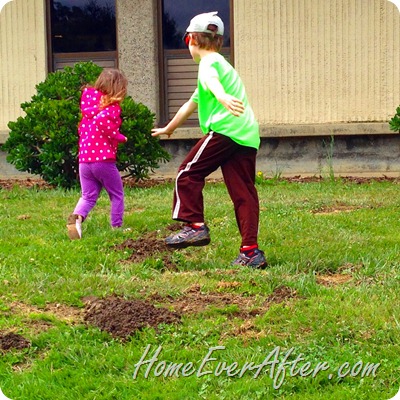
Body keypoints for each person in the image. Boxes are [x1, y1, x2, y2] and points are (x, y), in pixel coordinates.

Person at [152, 11, 267, 268]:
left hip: (225, 130)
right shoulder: (222, 64)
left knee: (187, 173)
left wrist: (223, 97)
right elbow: (190, 105)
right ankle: (251, 252)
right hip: (246, 134)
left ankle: (195, 226)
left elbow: (212, 83)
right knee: (244, 193)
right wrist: (169, 128)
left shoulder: (208, 63)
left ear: (191, 40)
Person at [67, 68, 128, 240]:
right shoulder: (111, 107)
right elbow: (103, 122)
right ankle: (117, 227)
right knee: (116, 194)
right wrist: (120, 137)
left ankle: (77, 218)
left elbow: (82, 130)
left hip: (84, 161)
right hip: (103, 161)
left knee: (88, 195)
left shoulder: (88, 107)